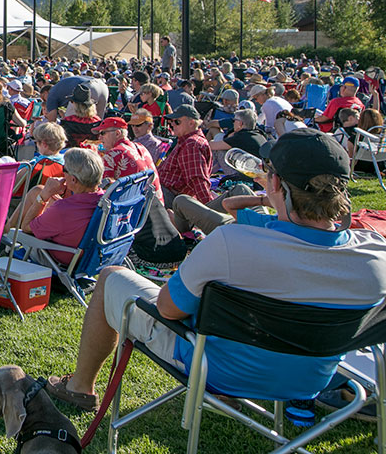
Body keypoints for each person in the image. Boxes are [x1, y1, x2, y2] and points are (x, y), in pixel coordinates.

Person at [45, 128, 386, 413]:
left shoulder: (232, 243)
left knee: (110, 278)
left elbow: (167, 309)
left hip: (218, 371)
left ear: (276, 184)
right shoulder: (376, 256)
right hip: (312, 378)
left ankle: (80, 387)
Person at [12, 148, 106, 264]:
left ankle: (4, 240)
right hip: (91, 256)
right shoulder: (105, 200)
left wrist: (44, 195)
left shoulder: (63, 209)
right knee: (37, 190)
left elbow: (26, 227)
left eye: (64, 169)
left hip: (58, 257)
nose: (62, 173)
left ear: (73, 179)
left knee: (16, 233)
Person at [157, 105, 213, 204]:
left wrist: (209, 207)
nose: (172, 124)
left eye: (177, 121)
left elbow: (197, 179)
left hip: (170, 196)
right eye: (171, 121)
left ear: (191, 123)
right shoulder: (186, 140)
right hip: (167, 192)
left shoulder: (192, 144)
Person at [97, 116, 162, 200]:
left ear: (117, 133)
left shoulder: (112, 155)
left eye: (103, 133)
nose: (99, 137)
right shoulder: (141, 147)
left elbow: (101, 189)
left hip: (129, 209)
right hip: (152, 206)